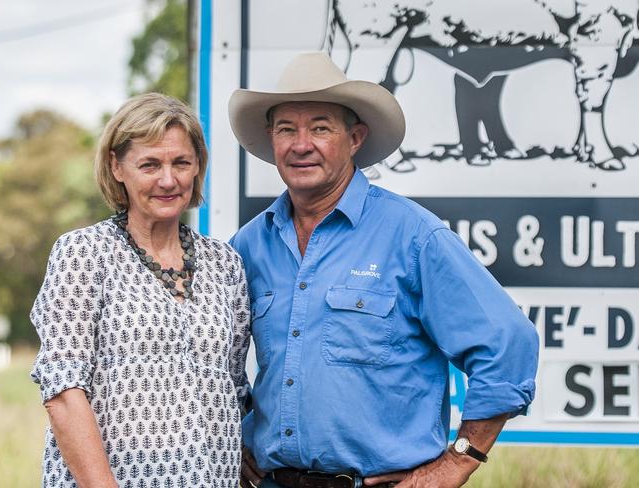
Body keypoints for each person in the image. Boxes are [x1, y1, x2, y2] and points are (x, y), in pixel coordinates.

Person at [228, 52, 539, 488]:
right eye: (286, 129)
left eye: (320, 127)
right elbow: (215, 364)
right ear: (271, 140)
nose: (301, 144)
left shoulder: (413, 236)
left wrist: (459, 460)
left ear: (355, 138)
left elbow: (509, 343)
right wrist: (235, 442)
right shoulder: (248, 245)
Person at [30, 93, 251, 488]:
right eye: (149, 164)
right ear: (117, 166)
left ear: (197, 164)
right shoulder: (83, 253)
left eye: (181, 162)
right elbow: (62, 390)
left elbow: (234, 388)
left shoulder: (225, 263)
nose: (168, 180)